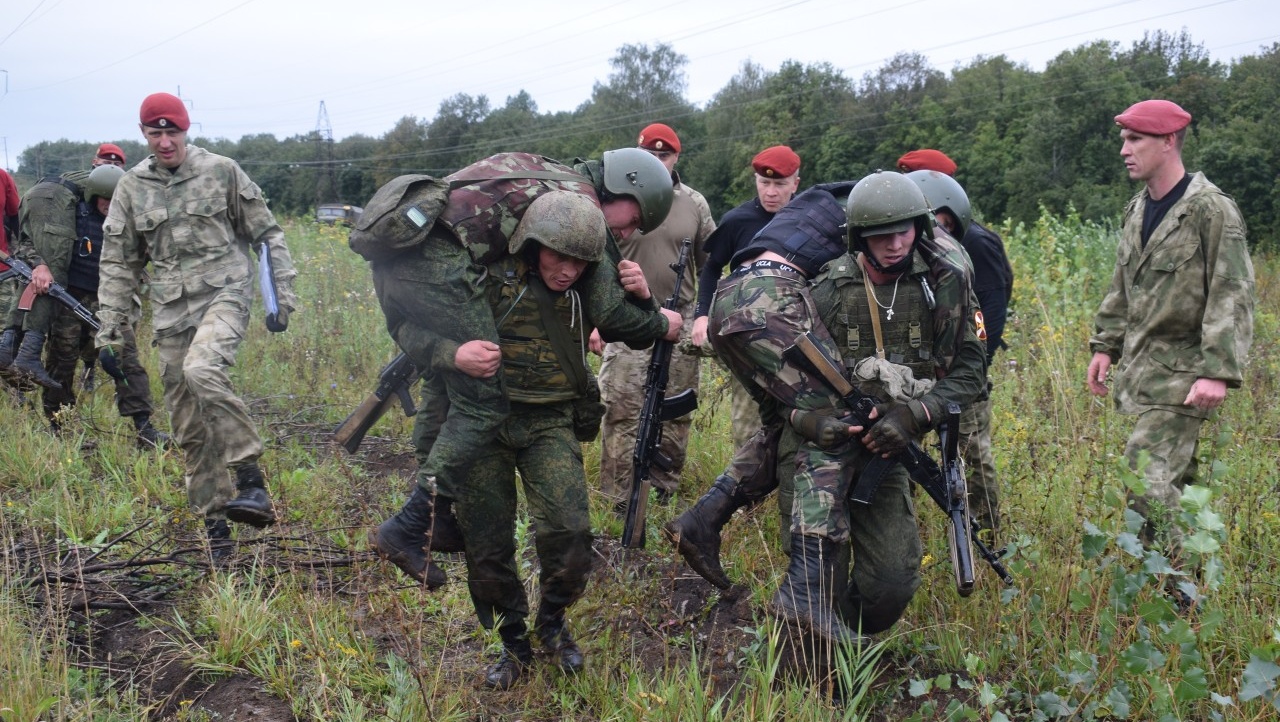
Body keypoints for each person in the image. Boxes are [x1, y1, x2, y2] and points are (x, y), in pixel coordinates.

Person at [368, 148, 680, 587]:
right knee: (484, 394)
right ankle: (410, 525)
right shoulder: (579, 205)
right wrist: (660, 320)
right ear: (624, 189)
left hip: (399, 260)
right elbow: (611, 314)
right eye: (634, 220)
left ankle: (437, 522)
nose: (626, 233)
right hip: (431, 267)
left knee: (457, 377)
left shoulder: (546, 175)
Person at [455, 191, 673, 689]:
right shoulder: (491, 281)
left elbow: (639, 332)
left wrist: (645, 299)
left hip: (550, 421)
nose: (569, 270)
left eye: (581, 261)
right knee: (487, 546)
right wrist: (453, 354)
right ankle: (513, 643)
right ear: (533, 245)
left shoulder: (588, 289)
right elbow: (428, 327)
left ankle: (551, 623)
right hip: (483, 423)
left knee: (572, 535)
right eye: (559, 256)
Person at [96, 92, 299, 549]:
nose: (165, 142)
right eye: (155, 134)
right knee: (188, 425)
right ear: (143, 134)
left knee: (202, 369)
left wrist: (281, 296)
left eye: (173, 132)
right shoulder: (131, 187)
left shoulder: (221, 171)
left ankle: (251, 478)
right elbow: (119, 263)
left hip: (224, 291)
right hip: (171, 309)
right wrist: (110, 329)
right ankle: (217, 531)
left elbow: (266, 235)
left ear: (186, 130)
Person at [669, 178, 857, 641]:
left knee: (783, 422)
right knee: (832, 426)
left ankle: (703, 519)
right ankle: (805, 592)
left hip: (733, 298)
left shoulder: (823, 197)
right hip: (771, 300)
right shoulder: (871, 209)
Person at [1087, 99, 1254, 557]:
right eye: (1124, 139)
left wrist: (1217, 371)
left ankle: (1181, 584)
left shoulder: (1210, 210)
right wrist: (1105, 345)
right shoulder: (1138, 209)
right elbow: (1123, 284)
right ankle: (1175, 579)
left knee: (1142, 478)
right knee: (1173, 486)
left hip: (1186, 373)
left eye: (1135, 139)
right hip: (1146, 370)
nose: (1124, 149)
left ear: (1168, 141)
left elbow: (1233, 291)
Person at [0, 163, 167, 445]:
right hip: (68, 299)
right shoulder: (72, 216)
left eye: (115, 200)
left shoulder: (130, 220)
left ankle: (145, 429)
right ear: (92, 196)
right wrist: (40, 264)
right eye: (104, 199)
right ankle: (61, 429)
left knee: (126, 360)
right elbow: (29, 244)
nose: (109, 205)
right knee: (61, 364)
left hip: (108, 300)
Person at [596, 123, 713, 508]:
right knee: (621, 408)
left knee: (675, 411)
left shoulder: (694, 203)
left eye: (665, 155)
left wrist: (703, 315)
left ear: (677, 158)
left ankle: (662, 493)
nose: (658, 162)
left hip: (679, 321)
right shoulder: (619, 198)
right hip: (627, 319)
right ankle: (617, 497)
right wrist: (598, 320)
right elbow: (595, 262)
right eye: (650, 155)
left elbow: (710, 264)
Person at [901, 156, 1014, 538]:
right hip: (915, 373)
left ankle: (987, 535)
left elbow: (991, 314)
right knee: (904, 454)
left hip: (960, 372)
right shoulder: (902, 243)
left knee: (971, 458)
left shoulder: (976, 242)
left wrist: (971, 368)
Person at [693, 145, 802, 450]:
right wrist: (701, 315)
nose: (771, 192)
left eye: (780, 184)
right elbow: (711, 268)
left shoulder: (807, 219)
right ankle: (751, 480)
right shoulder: (737, 221)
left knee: (801, 424)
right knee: (748, 429)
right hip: (748, 339)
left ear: (795, 183)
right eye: (764, 182)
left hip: (798, 340)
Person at [0, 168, 22, 371]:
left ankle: (16, 386)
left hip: (2, 270)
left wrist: (25, 252)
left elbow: (15, 217)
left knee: (5, 333)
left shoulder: (2, 177)